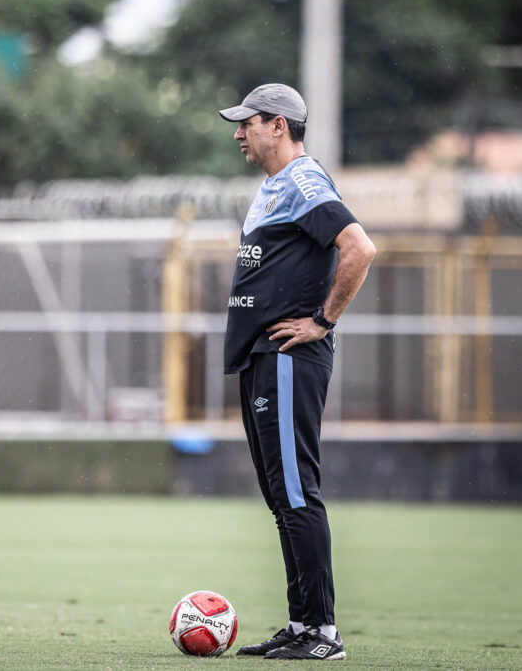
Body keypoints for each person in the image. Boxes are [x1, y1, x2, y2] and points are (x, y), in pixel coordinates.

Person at [218, 83, 375, 661]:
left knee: (296, 493)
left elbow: (359, 248)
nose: (239, 133)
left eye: (247, 122)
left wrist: (321, 321)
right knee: (282, 497)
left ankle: (322, 633)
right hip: (263, 357)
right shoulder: (274, 186)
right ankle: (302, 622)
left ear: (278, 125)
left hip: (287, 358)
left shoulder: (304, 180)